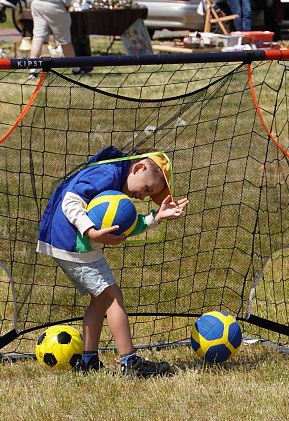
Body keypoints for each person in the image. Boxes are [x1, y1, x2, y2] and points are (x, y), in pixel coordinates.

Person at [37, 151, 189, 377]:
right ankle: (130, 362)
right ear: (138, 168)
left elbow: (126, 225)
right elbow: (70, 200)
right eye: (147, 189)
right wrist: (91, 231)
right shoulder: (108, 173)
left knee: (100, 300)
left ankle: (88, 361)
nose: (142, 197)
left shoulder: (117, 186)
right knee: (112, 298)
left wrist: (156, 217)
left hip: (69, 244)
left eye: (149, 196)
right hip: (70, 242)